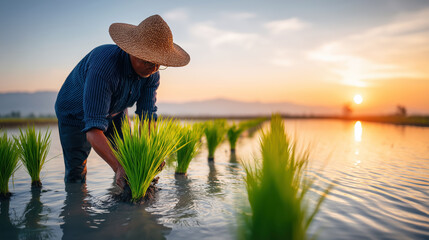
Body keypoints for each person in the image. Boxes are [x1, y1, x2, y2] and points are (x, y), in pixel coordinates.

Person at [55, 15, 190, 188]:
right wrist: (118, 166)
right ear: (131, 50)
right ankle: (75, 207)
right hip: (74, 114)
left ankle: (123, 206)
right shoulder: (104, 67)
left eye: (159, 63)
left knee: (129, 158)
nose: (154, 68)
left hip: (116, 111)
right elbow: (93, 129)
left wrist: (150, 154)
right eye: (148, 60)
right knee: (77, 171)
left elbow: (147, 117)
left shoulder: (151, 74)